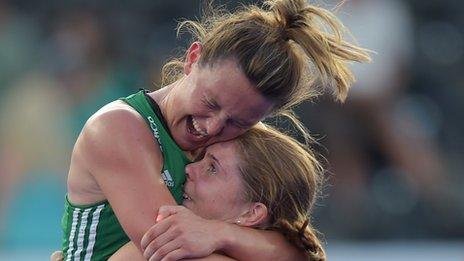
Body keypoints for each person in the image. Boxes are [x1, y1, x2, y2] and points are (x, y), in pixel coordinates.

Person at [61, 0, 370, 260]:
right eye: (210, 102)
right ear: (193, 58)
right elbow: (169, 250)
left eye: (238, 122)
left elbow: (301, 248)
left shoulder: (244, 143)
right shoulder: (118, 128)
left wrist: (219, 234)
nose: (211, 127)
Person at [57, 124, 326, 261]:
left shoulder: (164, 245)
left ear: (252, 212)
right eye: (201, 158)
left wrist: (219, 234)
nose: (189, 169)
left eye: (212, 168)